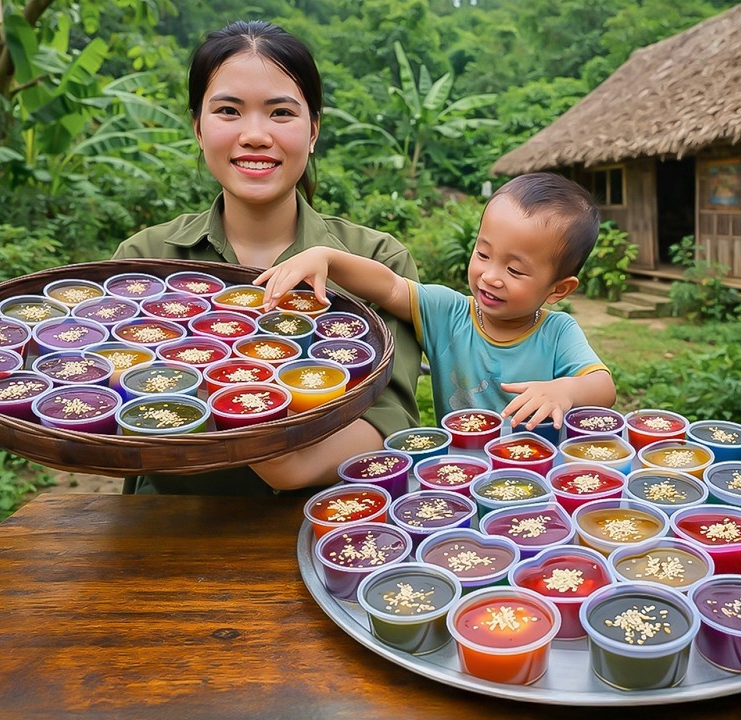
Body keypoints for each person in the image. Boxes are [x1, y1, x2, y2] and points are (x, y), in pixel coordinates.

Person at [113, 20, 422, 495]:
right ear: (198, 128)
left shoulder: (377, 262)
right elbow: (113, 415)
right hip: (162, 539)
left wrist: (258, 438)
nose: (255, 135)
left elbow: (389, 422)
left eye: (281, 113)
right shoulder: (145, 260)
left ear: (314, 130)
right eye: (228, 111)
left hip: (326, 536)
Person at [257, 172, 616, 432]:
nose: (491, 276)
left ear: (558, 290)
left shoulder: (557, 332)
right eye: (483, 254)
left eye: (515, 270)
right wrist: (329, 257)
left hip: (535, 478)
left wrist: (565, 390)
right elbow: (390, 287)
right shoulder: (449, 312)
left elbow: (603, 386)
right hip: (458, 470)